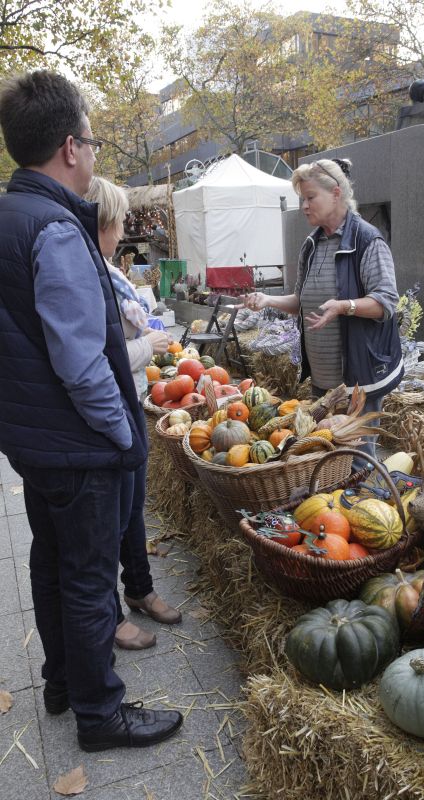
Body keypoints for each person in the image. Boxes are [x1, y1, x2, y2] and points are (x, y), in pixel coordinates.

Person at [0, 71, 182, 751]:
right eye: (94, 140)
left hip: (33, 438)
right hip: (77, 443)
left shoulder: (10, 215)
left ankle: (61, 684)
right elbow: (81, 363)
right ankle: (101, 714)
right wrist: (123, 434)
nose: (95, 153)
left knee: (51, 565)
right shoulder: (53, 227)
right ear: (71, 147)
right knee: (86, 579)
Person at [241, 158, 403, 459]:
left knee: (356, 463)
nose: (304, 206)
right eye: (301, 199)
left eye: (310, 197)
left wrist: (344, 306)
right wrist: (268, 300)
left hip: (358, 380)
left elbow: (386, 304)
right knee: (325, 460)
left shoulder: (367, 240)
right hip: (322, 381)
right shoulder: (311, 245)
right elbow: (301, 301)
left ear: (336, 193)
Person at [85, 176, 183, 650]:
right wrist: (149, 345)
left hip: (129, 400)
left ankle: (139, 588)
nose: (125, 229)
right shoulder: (87, 275)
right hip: (108, 410)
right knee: (113, 516)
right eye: (120, 220)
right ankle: (113, 612)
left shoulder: (107, 269)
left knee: (133, 506)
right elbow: (93, 357)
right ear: (102, 222)